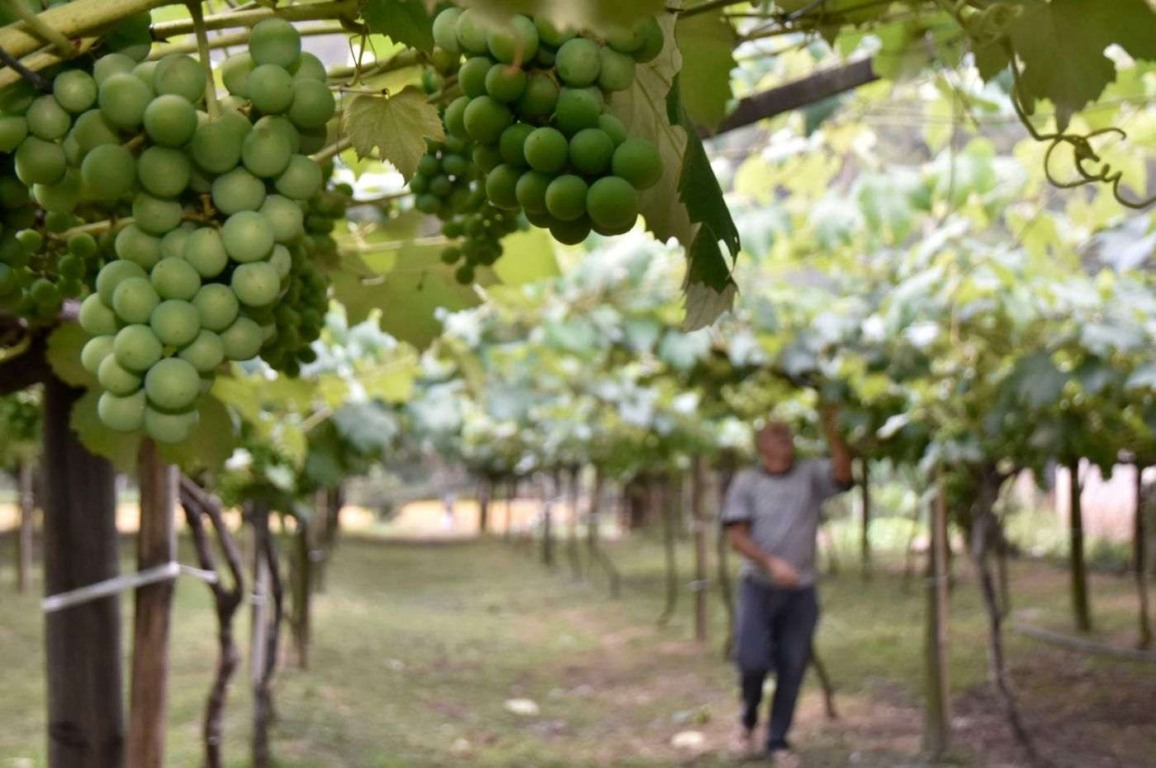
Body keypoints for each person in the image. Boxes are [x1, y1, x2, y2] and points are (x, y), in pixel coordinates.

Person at [720, 406, 853, 766]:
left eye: (788, 434)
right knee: (751, 660)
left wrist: (834, 430)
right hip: (758, 587)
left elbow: (842, 474)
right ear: (761, 444)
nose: (786, 439)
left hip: (802, 591)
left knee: (793, 664)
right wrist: (771, 563)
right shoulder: (747, 481)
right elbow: (737, 536)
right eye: (777, 434)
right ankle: (747, 717)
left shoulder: (809, 474)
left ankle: (778, 740)